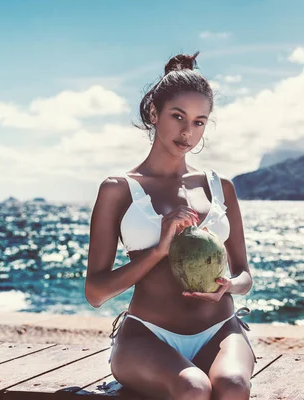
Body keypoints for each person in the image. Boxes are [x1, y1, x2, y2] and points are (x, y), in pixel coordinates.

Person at [85, 51, 257, 400]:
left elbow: (244, 276)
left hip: (220, 330)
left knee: (233, 386)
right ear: (153, 113)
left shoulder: (219, 187)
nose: (187, 132)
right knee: (191, 387)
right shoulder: (119, 190)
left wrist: (229, 287)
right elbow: (96, 293)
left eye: (199, 122)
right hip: (147, 335)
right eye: (178, 116)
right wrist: (159, 250)